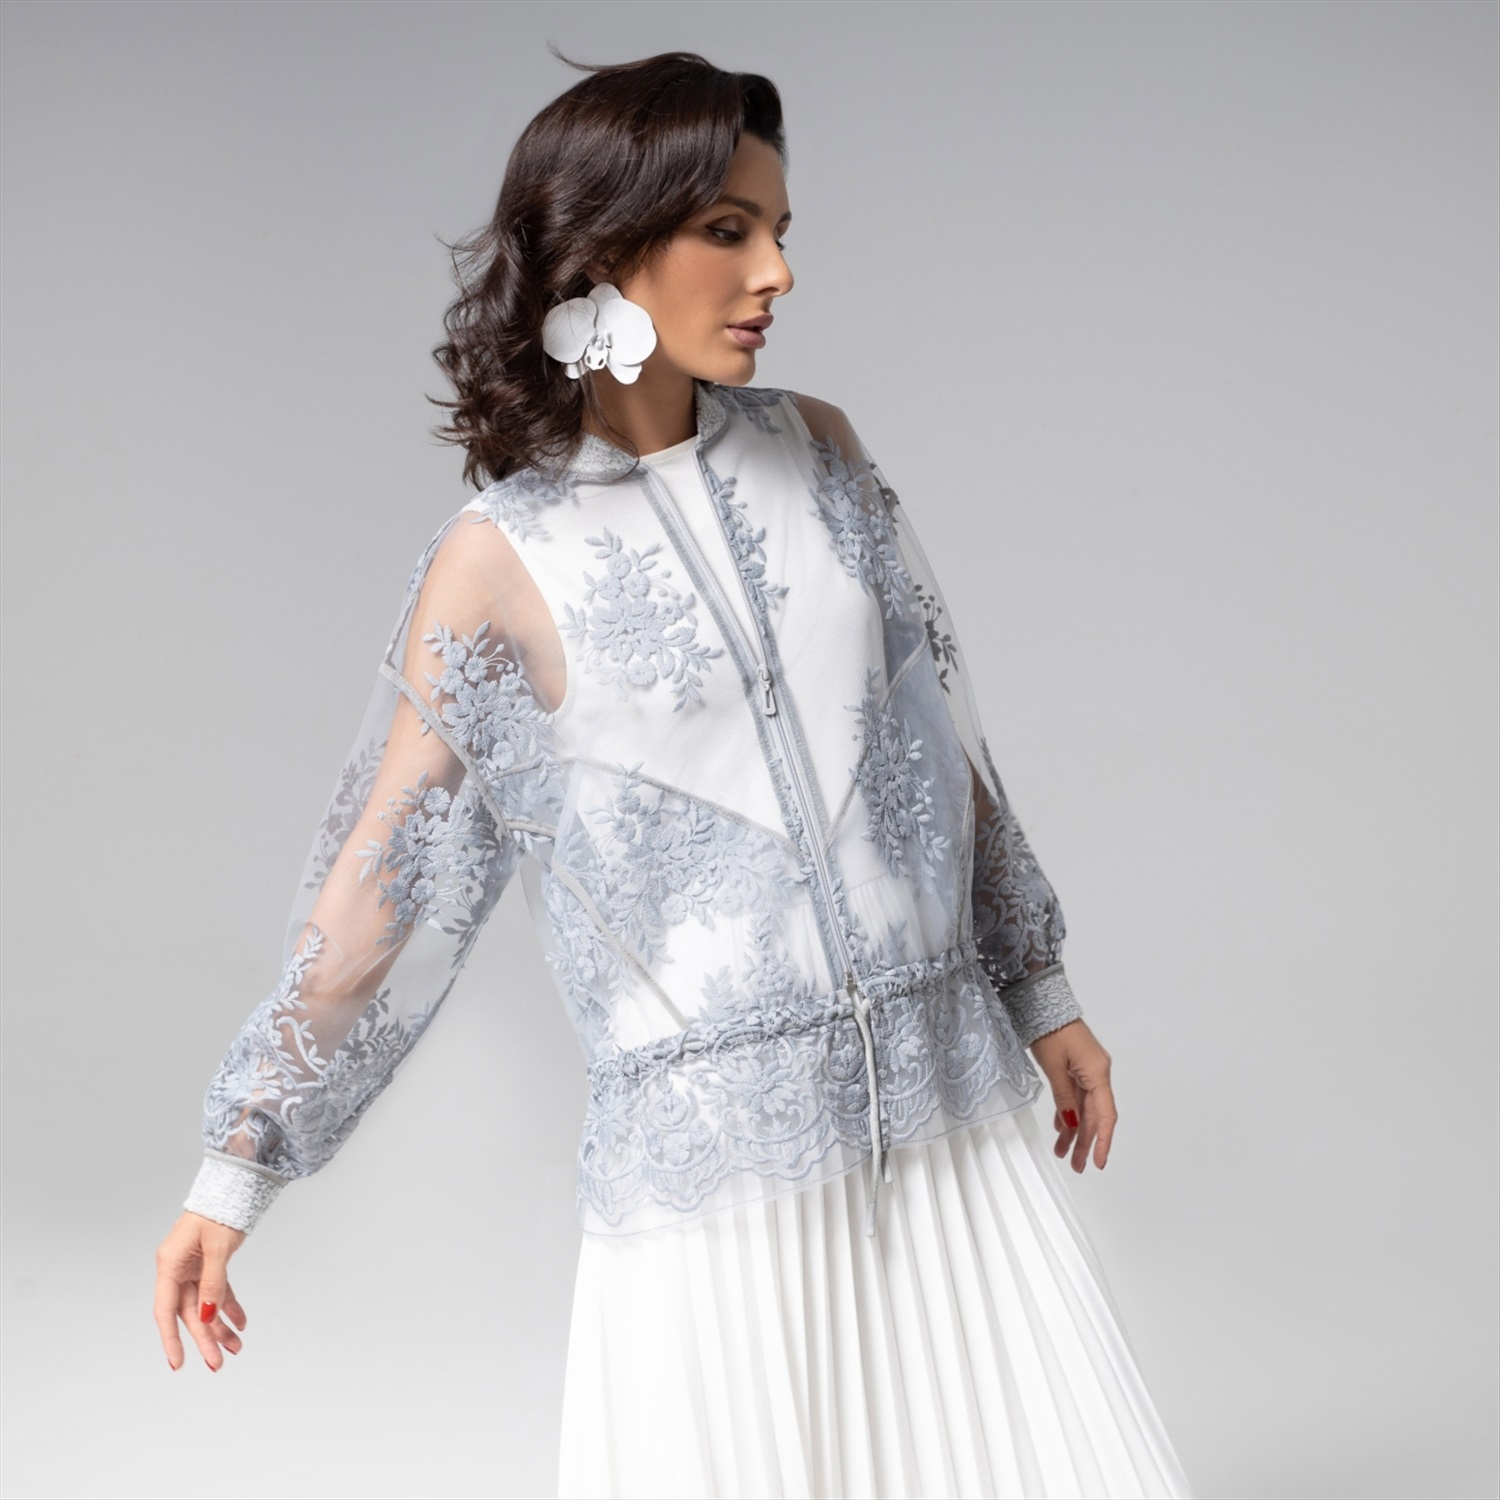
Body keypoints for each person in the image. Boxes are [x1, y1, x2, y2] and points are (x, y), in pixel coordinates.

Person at [152, 49, 1193, 1500]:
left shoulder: (821, 450)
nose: (776, 272)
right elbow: (384, 891)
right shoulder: (497, 563)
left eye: (780, 230)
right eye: (728, 229)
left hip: (939, 1120)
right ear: (604, 248)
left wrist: (1043, 991)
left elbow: (933, 747)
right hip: (719, 1190)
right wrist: (239, 1163)